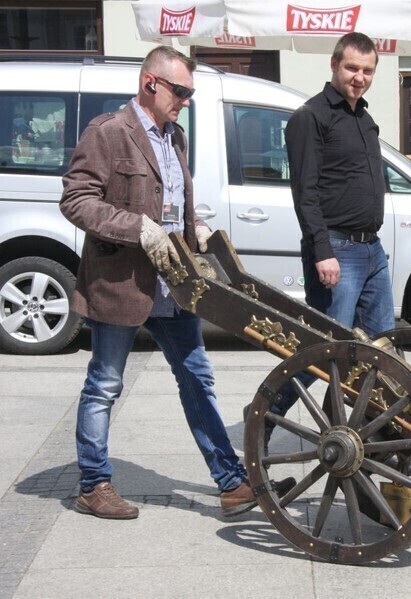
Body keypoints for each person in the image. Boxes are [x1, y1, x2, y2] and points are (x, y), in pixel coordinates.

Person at [60, 45, 276, 520]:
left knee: (197, 379)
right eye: (181, 91)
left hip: (175, 285)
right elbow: (76, 201)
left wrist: (193, 228)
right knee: (104, 385)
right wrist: (137, 228)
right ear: (150, 83)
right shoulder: (108, 132)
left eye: (190, 92)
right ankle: (94, 484)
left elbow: (174, 203)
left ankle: (232, 482)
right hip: (121, 284)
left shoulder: (175, 137)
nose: (186, 100)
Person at [256, 33, 395, 435]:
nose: (359, 77)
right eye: (352, 68)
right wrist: (322, 251)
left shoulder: (364, 120)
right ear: (334, 65)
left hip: (372, 250)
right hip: (337, 249)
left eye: (367, 71)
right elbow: (305, 191)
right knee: (322, 353)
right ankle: (265, 412)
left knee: (381, 349)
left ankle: (377, 431)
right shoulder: (310, 117)